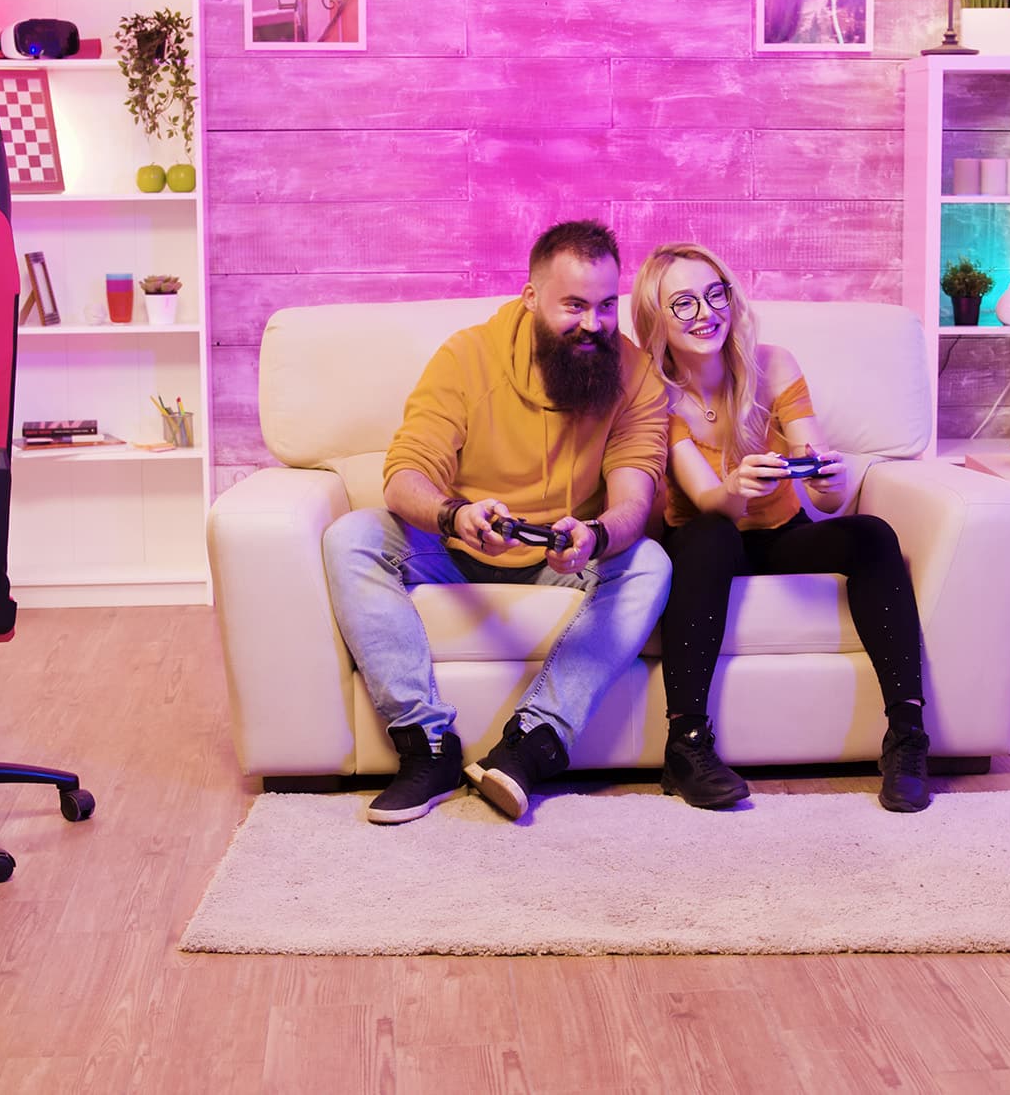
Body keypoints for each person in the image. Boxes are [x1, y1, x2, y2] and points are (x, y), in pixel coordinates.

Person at [322, 220, 673, 826]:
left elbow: (634, 497)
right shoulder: (467, 356)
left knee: (649, 562)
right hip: (458, 542)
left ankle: (530, 748)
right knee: (352, 537)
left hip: (562, 555)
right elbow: (405, 471)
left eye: (607, 305)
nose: (595, 324)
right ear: (531, 296)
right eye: (574, 305)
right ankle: (426, 746)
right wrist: (454, 515)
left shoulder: (635, 374)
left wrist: (597, 535)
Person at [631, 242, 932, 813]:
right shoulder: (655, 393)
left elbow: (826, 487)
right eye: (684, 304)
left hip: (781, 532)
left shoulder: (774, 365)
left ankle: (907, 736)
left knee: (872, 534)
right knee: (712, 534)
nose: (706, 313)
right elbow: (704, 498)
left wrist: (826, 478)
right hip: (705, 542)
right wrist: (740, 489)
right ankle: (687, 742)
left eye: (715, 294)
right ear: (657, 321)